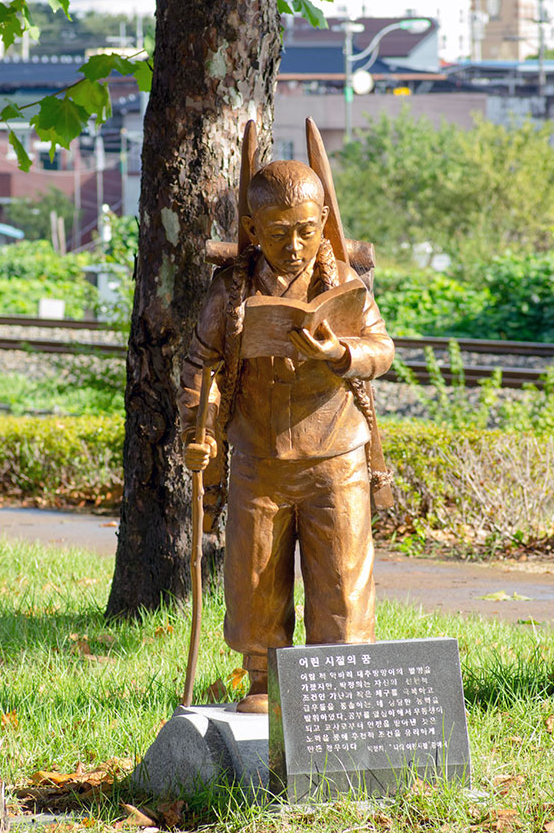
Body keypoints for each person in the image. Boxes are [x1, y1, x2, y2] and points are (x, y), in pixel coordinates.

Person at [179, 159, 394, 714]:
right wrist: (200, 427)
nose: (294, 246)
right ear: (252, 230)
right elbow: (199, 364)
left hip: (335, 457)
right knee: (255, 577)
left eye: (306, 230)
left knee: (342, 576)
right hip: (259, 455)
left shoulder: (344, 284)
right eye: (277, 233)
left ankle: (337, 687)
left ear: (323, 221)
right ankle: (262, 682)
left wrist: (340, 354)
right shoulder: (230, 292)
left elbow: (382, 350)